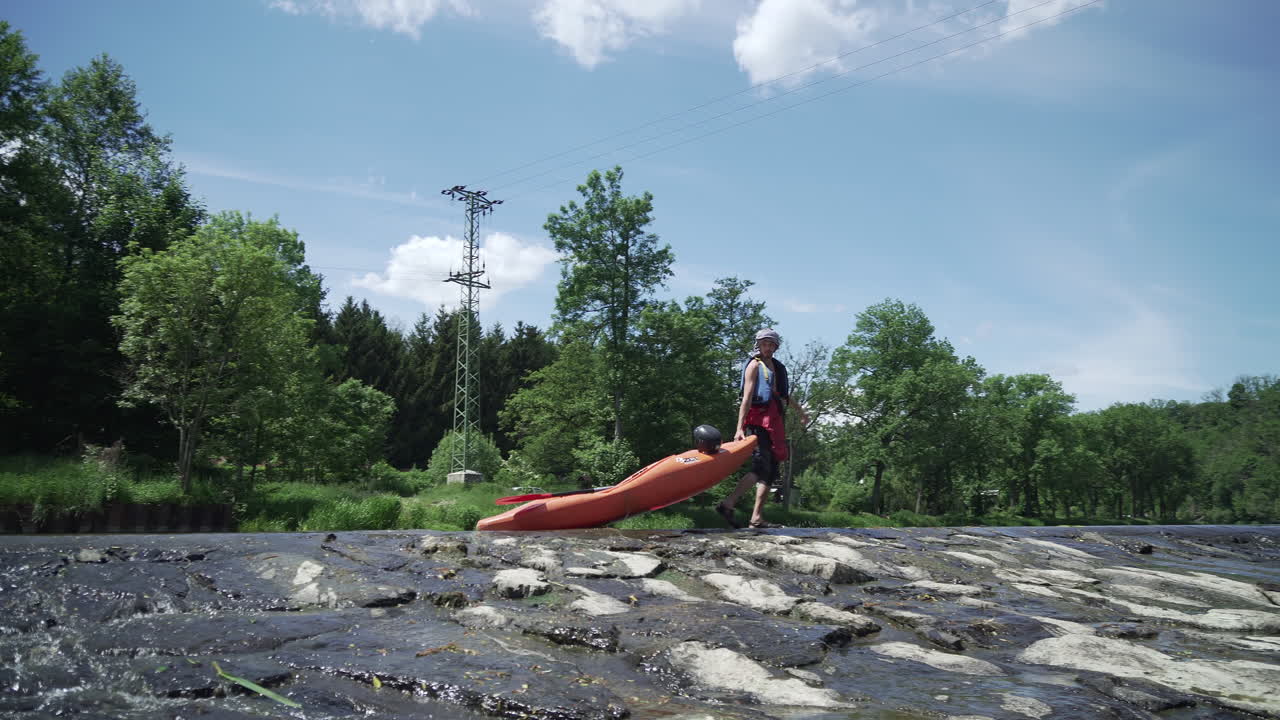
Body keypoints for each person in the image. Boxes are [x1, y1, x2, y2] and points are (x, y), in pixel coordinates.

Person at [717, 328, 808, 529]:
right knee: (760, 467)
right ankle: (728, 504)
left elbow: (782, 395)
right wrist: (739, 428)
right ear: (758, 345)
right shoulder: (754, 366)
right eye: (764, 344)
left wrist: (801, 412)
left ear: (776, 347)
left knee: (772, 470)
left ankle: (756, 518)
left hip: (774, 422)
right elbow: (747, 398)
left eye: (771, 344)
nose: (767, 347)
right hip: (757, 422)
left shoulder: (776, 367)